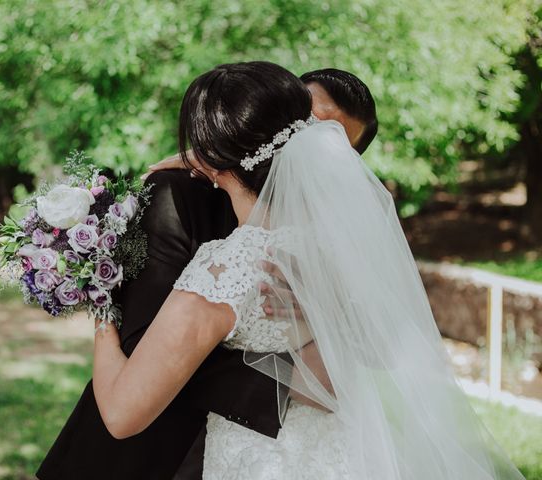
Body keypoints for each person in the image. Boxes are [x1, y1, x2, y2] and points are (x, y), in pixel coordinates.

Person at [90, 61, 524, 479]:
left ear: (214, 156)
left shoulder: (225, 268)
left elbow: (122, 415)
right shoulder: (338, 245)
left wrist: (100, 300)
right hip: (344, 458)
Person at [37, 66, 379, 480]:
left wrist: (101, 302)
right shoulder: (178, 197)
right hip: (178, 455)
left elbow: (123, 411)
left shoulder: (244, 258)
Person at [144, 67, 377, 177]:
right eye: (302, 120)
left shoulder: (330, 245)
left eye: (326, 143)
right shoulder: (185, 186)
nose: (300, 142)